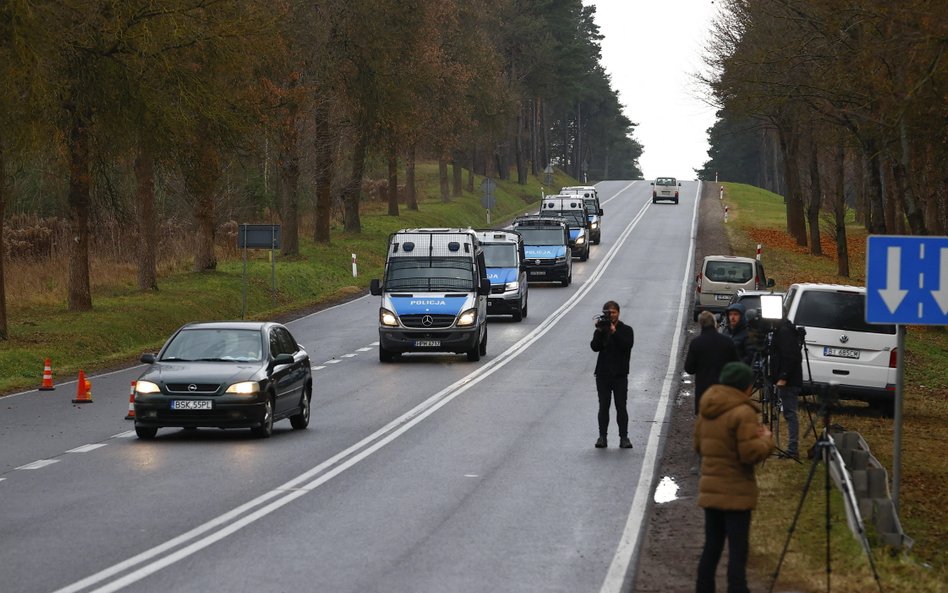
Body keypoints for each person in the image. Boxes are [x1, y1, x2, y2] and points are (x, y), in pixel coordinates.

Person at [694, 362, 775, 593]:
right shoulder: (743, 413)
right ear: (745, 387)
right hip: (737, 494)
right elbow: (750, 454)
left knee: (712, 548)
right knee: (738, 553)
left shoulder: (707, 407)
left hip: (711, 491)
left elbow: (698, 446)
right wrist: (767, 440)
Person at [590, 300, 635, 449]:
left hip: (620, 375)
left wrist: (614, 333)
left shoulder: (626, 330)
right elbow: (594, 347)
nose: (611, 316)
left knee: (621, 406)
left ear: (618, 313)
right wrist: (600, 332)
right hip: (603, 374)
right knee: (604, 406)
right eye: (607, 313)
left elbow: (626, 346)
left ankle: (624, 437)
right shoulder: (602, 329)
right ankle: (602, 436)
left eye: (613, 313)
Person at [685, 311, 739, 415]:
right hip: (723, 389)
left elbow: (689, 368)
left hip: (703, 390)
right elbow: (736, 364)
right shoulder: (727, 342)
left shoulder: (696, 343)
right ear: (715, 323)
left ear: (701, 324)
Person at [769, 316, 804, 458]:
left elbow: (791, 356)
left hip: (789, 380)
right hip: (789, 379)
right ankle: (791, 448)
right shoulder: (783, 329)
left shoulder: (784, 331)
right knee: (789, 414)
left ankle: (792, 449)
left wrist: (783, 377)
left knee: (790, 414)